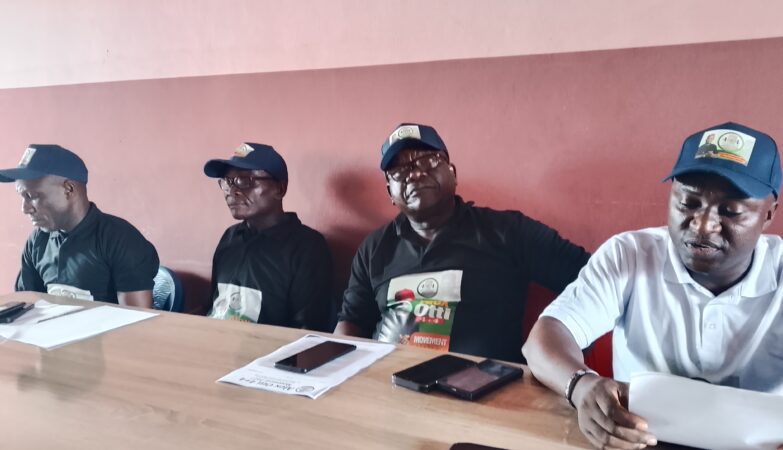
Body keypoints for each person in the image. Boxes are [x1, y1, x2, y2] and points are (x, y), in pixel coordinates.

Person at [523, 122, 783, 450]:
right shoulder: (630, 254)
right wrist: (581, 386)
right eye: (688, 203)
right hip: (635, 440)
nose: (703, 225)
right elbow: (545, 337)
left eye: (730, 211)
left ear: (768, 214)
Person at [334, 123, 590, 362]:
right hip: (387, 384)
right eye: (399, 171)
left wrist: (557, 348)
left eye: (429, 160)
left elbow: (591, 279)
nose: (415, 174)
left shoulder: (508, 231)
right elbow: (351, 323)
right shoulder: (374, 248)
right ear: (391, 192)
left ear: (453, 173)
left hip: (484, 388)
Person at [1, 144, 159, 307]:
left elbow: (139, 319)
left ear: (68, 189)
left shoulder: (120, 239)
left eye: (32, 196)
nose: (25, 209)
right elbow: (26, 308)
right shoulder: (37, 241)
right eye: (22, 197)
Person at [203, 142, 334, 331]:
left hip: (266, 348)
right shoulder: (230, 238)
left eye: (244, 181)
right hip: (214, 340)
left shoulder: (307, 247)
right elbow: (213, 307)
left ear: (280, 189)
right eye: (227, 182)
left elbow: (309, 331)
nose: (232, 191)